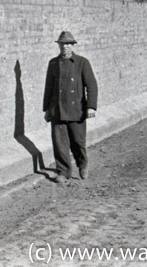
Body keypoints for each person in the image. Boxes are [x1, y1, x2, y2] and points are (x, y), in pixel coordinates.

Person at [42, 31, 98, 183]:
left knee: (78, 142)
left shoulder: (81, 62)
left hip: (76, 110)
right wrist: (47, 109)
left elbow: (91, 85)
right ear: (59, 45)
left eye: (68, 44)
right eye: (62, 44)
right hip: (57, 110)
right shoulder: (53, 63)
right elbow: (49, 87)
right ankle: (63, 172)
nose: (65, 47)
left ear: (72, 46)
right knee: (59, 143)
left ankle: (82, 164)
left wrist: (91, 106)